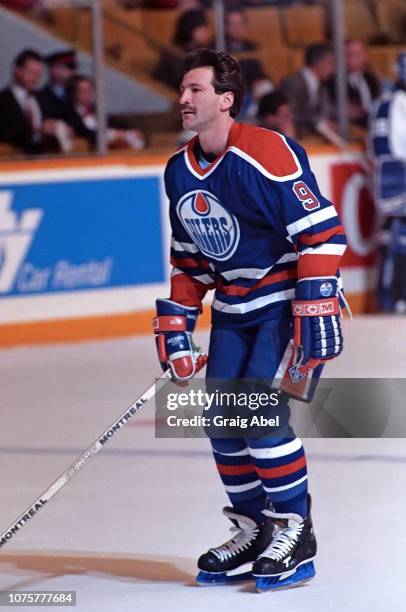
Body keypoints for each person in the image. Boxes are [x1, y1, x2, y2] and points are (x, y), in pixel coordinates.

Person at [153, 49, 346, 591]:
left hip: (280, 303)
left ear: (226, 99)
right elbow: (190, 260)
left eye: (195, 90)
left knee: (260, 417)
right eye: (183, 90)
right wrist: (177, 323)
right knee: (221, 423)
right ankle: (255, 527)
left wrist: (314, 303)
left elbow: (323, 233)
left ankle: (295, 529)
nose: (184, 99)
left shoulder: (267, 151)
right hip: (233, 311)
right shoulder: (178, 170)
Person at [369, 51, 406, 312]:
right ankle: (391, 297)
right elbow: (382, 149)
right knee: (395, 240)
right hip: (398, 182)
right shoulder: (389, 104)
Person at [0, 48, 62, 154]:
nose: (35, 78)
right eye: (31, 72)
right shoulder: (3, 100)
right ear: (17, 70)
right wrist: (37, 131)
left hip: (44, 163)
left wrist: (59, 128)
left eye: (39, 74)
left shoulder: (43, 98)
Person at [65, 75, 145, 150]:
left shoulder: (95, 109)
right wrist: (113, 134)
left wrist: (130, 130)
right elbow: (84, 133)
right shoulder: (68, 112)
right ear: (73, 93)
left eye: (89, 91)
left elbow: (115, 122)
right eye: (83, 91)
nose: (87, 95)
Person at [281, 42, 335, 138]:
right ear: (319, 62)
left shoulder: (322, 87)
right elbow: (289, 115)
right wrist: (317, 122)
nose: (333, 69)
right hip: (293, 137)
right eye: (331, 63)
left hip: (311, 136)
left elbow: (325, 112)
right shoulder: (293, 82)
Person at [325, 39, 381, 129]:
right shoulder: (333, 82)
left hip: (375, 127)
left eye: (358, 54)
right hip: (351, 129)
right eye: (349, 54)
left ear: (365, 56)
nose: (354, 58)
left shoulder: (371, 78)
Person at [153, 9, 211, 90]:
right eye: (202, 28)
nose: (207, 32)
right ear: (191, 30)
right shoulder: (175, 54)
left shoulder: (202, 51)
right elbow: (180, 82)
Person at [37, 49, 78, 122]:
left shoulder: (74, 96)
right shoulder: (40, 98)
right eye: (68, 68)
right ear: (54, 70)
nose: (73, 72)